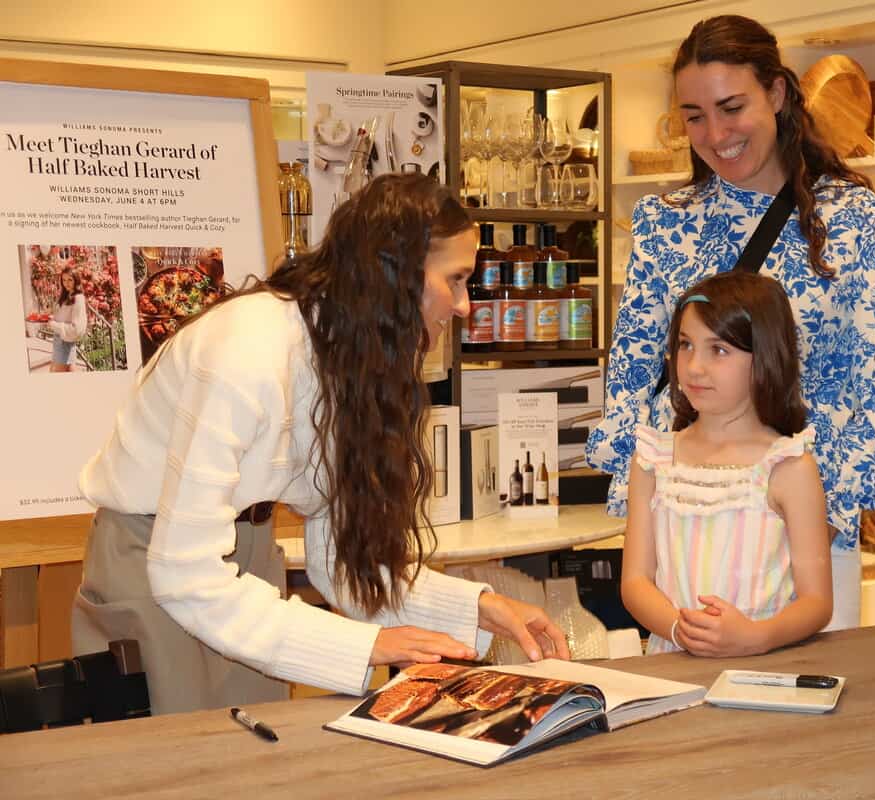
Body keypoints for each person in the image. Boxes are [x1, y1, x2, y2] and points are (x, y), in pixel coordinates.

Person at [73, 173, 569, 715]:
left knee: (258, 753)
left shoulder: (351, 356)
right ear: (395, 273)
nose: (464, 305)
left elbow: (343, 562)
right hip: (150, 561)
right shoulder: (248, 351)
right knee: (176, 761)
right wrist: (366, 645)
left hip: (243, 556)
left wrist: (479, 608)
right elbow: (183, 572)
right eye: (456, 279)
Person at [586, 14, 875, 630]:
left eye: (732, 108)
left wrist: (814, 521)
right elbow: (632, 376)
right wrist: (646, 510)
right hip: (685, 524)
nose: (715, 134)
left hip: (804, 534)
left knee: (806, 688)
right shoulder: (664, 222)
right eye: (694, 116)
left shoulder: (858, 222)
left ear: (777, 94)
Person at [621, 272, 832, 656]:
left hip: (759, 669)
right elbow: (635, 581)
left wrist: (757, 636)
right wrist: (680, 629)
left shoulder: (788, 467)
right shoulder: (653, 459)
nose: (694, 367)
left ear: (765, 357)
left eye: (718, 350)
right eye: (686, 345)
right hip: (671, 666)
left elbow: (816, 602)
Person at [47, 268, 88, 372]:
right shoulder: (66, 295)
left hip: (65, 341)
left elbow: (76, 328)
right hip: (59, 339)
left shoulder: (78, 298)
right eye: (64, 280)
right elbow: (64, 317)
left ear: (76, 280)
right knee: (69, 370)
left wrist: (53, 324)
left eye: (70, 280)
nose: (66, 283)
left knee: (56, 373)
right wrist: (52, 318)